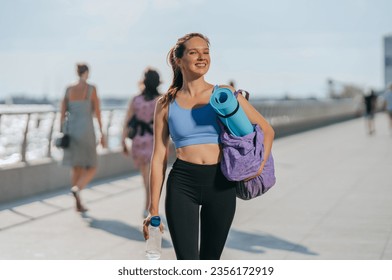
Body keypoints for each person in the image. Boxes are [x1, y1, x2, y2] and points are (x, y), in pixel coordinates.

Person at [142, 33, 275, 260]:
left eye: (206, 52)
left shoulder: (223, 95)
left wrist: (258, 166)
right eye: (194, 52)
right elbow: (159, 157)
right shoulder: (165, 104)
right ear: (179, 60)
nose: (202, 57)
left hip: (221, 183)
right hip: (182, 184)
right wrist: (152, 207)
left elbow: (267, 130)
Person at [60, 63, 105, 212]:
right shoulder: (91, 89)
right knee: (92, 165)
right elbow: (97, 112)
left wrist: (63, 131)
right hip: (86, 130)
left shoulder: (68, 89)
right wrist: (102, 133)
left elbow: (62, 113)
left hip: (71, 130)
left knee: (76, 167)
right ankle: (77, 188)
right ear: (87, 72)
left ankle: (77, 204)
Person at [122, 68, 161, 217]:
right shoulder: (161, 100)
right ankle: (149, 206)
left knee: (145, 177)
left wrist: (122, 142)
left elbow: (127, 120)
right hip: (153, 141)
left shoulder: (136, 100)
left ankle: (148, 206)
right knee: (152, 177)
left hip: (138, 140)